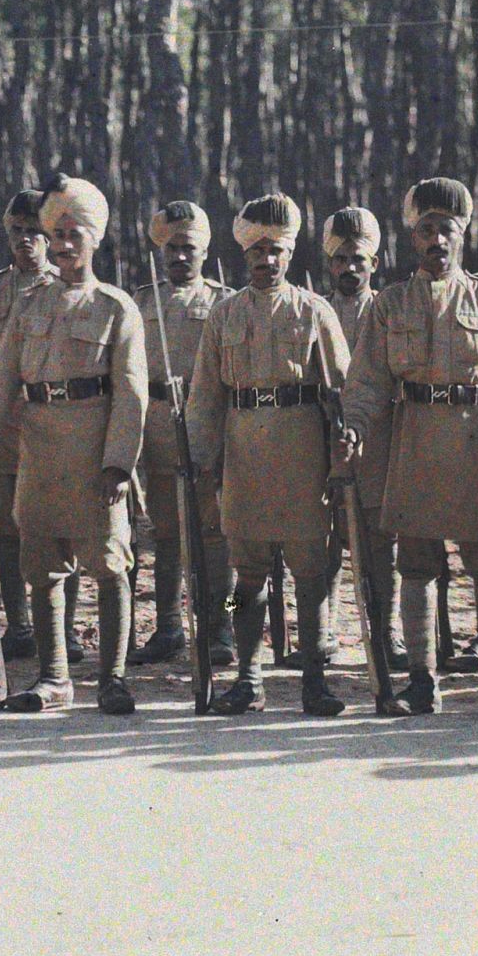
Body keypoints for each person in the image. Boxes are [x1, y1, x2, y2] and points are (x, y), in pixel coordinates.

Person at [337, 177, 478, 719]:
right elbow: (366, 382)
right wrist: (354, 427)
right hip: (416, 441)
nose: (437, 241)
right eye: (426, 230)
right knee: (417, 565)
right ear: (412, 238)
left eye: (447, 230)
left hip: (477, 442)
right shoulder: (389, 305)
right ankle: (423, 681)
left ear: (463, 235)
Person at [0, 173, 149, 716]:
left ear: (94, 240)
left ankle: (112, 677)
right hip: (39, 448)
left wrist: (119, 463)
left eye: (75, 235)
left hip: (94, 450)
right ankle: (55, 678)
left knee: (109, 563)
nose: (66, 245)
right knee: (41, 564)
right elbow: (3, 380)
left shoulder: (117, 307)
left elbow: (132, 395)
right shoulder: (27, 306)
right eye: (59, 235)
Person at [188, 194, 353, 715]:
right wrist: (199, 458)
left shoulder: (315, 312)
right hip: (244, 458)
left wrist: (341, 455)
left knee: (310, 574)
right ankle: (247, 674)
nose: (267, 260)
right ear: (244, 255)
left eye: (277, 251)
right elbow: (204, 398)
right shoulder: (224, 316)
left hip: (302, 456)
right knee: (245, 580)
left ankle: (314, 678)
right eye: (258, 251)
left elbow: (343, 392)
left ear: (291, 253)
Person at [131, 201, 232, 666]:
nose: (178, 257)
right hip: (156, 424)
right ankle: (168, 625)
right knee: (166, 531)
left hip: (206, 422)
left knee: (215, 531)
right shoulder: (141, 301)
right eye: (170, 248)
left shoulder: (222, 301)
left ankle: (223, 625)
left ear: (205, 251)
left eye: (188, 248)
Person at [0, 188, 62, 662]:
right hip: (4, 433)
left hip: (51, 429)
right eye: (17, 231)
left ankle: (62, 631)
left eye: (35, 232)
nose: (26, 241)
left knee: (51, 531)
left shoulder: (63, 289)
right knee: (7, 534)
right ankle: (20, 625)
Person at [323, 205, 403, 667]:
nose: (350, 269)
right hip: (323, 444)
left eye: (359, 261)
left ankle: (385, 630)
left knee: (380, 547)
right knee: (323, 547)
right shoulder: (314, 310)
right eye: (341, 260)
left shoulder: (389, 310)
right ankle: (324, 630)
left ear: (374, 263)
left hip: (378, 443)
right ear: (329, 264)